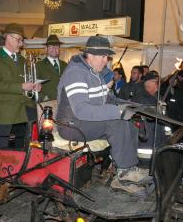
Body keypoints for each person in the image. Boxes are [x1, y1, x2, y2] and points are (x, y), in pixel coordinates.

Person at [56, 36, 150, 194]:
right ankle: (124, 175)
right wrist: (118, 111)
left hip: (84, 121)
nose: (106, 61)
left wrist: (130, 106)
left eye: (107, 57)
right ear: (90, 55)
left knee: (130, 124)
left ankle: (126, 168)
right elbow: (82, 110)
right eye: (103, 57)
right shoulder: (76, 72)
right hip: (71, 124)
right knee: (116, 123)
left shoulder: (93, 72)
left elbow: (106, 98)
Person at [0, 23, 41, 148]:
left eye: (22, 40)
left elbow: (28, 80)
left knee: (26, 143)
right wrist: (22, 86)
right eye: (19, 40)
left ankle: (23, 166)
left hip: (24, 107)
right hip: (6, 109)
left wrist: (35, 86)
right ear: (8, 38)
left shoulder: (22, 60)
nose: (21, 44)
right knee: (2, 145)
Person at [132, 71, 167, 148]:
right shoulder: (139, 98)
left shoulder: (160, 98)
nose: (158, 84)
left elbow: (164, 119)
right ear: (147, 83)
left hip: (159, 138)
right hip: (145, 139)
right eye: (155, 82)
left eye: (158, 82)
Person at [36, 35, 67, 101]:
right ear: (46, 49)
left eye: (56, 46)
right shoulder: (39, 66)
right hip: (47, 105)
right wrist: (44, 98)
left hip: (64, 103)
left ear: (59, 49)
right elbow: (34, 85)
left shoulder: (65, 65)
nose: (54, 49)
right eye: (51, 47)